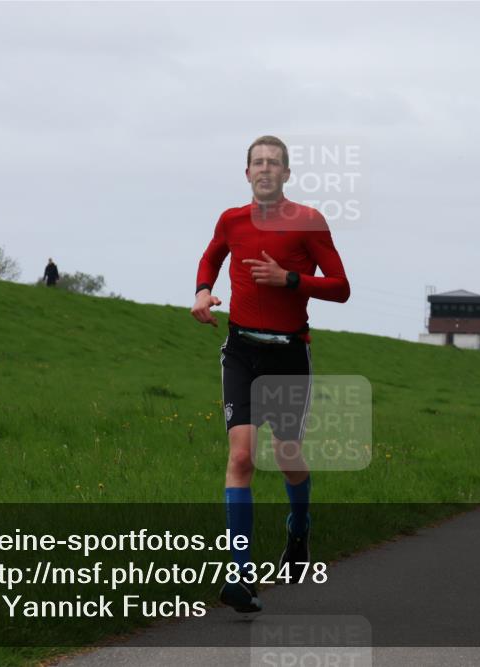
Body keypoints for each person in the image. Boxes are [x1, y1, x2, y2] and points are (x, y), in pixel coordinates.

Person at [191, 135, 350, 613]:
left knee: (286, 454)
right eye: (257, 163)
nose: (265, 169)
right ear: (247, 173)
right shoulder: (231, 219)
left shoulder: (308, 221)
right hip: (242, 350)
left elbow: (341, 287)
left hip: (288, 354)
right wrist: (202, 291)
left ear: (286, 173)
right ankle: (241, 575)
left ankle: (298, 529)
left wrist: (290, 279)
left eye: (273, 163)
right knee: (241, 457)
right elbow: (211, 256)